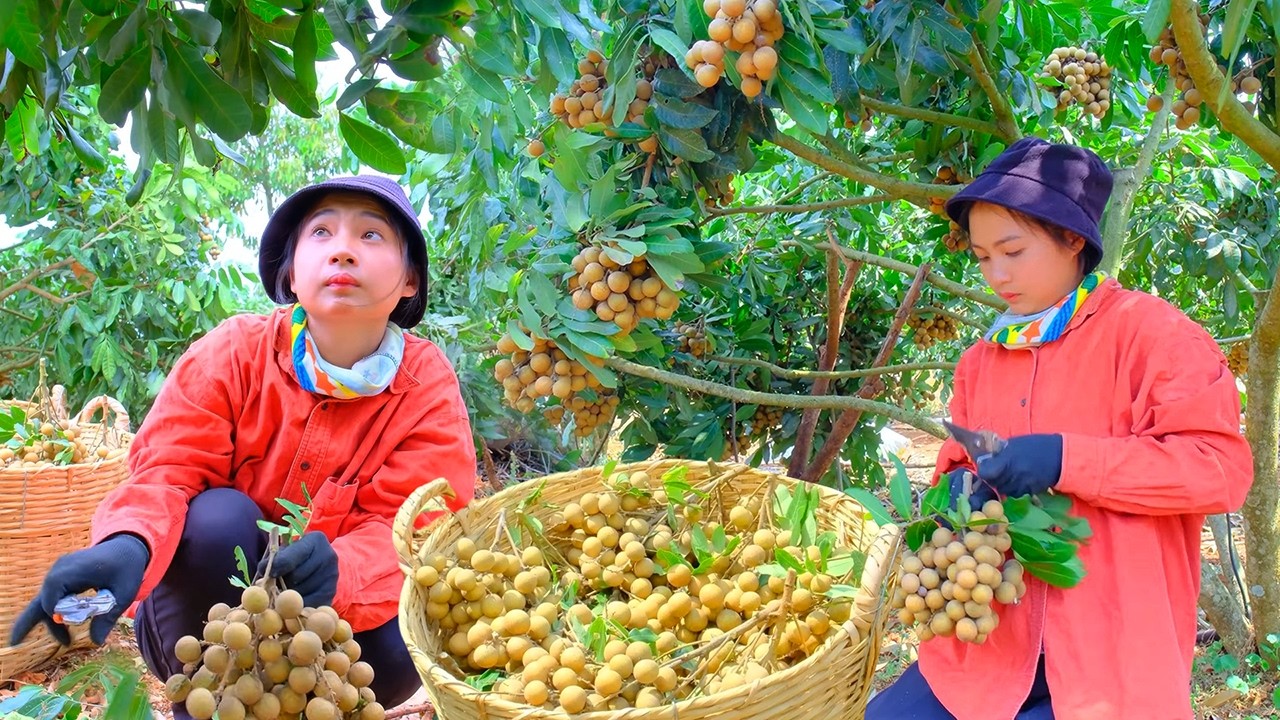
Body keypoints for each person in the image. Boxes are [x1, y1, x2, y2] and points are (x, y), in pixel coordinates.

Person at [10, 176, 478, 716]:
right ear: (291, 273)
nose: (344, 249)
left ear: (409, 281)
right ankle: (206, 706)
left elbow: (422, 521)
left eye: (372, 236)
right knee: (217, 518)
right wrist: (127, 546)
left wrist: (344, 570)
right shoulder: (234, 352)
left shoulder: (426, 386)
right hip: (208, 628)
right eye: (322, 231)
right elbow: (168, 469)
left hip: (338, 636)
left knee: (403, 637)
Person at [865, 138, 1253, 719]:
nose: (996, 274)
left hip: (1110, 650)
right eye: (981, 256)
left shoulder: (1155, 337)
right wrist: (960, 489)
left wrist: (1068, 460)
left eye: (1013, 251)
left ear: (1074, 240)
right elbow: (958, 456)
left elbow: (1218, 470)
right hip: (993, 640)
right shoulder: (983, 359)